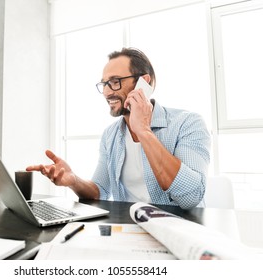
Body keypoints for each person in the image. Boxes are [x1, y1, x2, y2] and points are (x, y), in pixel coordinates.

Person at [26, 47, 211, 209]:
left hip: (179, 231)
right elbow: (100, 192)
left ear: (144, 83)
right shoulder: (111, 135)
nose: (107, 92)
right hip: (130, 230)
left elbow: (191, 197)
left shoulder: (188, 123)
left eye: (115, 82)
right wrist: (73, 180)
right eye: (104, 84)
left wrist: (143, 131)